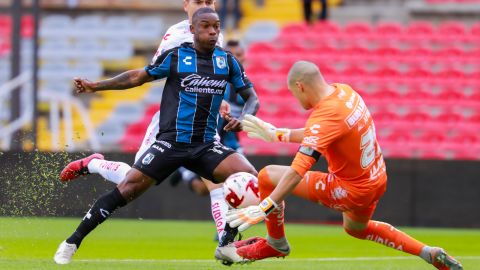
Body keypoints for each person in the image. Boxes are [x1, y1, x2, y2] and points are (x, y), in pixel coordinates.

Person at [54, 8, 260, 265]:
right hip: (171, 142)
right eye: (205, 26)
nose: (212, 31)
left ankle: (227, 243)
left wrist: (246, 119)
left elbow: (251, 97)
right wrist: (97, 85)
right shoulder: (176, 56)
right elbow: (137, 77)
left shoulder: (227, 61)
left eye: (216, 27)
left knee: (249, 176)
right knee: (127, 187)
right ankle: (72, 241)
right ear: (193, 30)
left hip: (205, 145)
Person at [219, 61, 463, 270]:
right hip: (377, 179)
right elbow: (324, 132)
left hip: (349, 189)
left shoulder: (325, 115)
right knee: (356, 228)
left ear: (300, 86)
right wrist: (277, 134)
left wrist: (265, 206)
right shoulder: (345, 93)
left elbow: (297, 170)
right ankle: (428, 252)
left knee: (267, 176)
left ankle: (275, 244)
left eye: (295, 94)